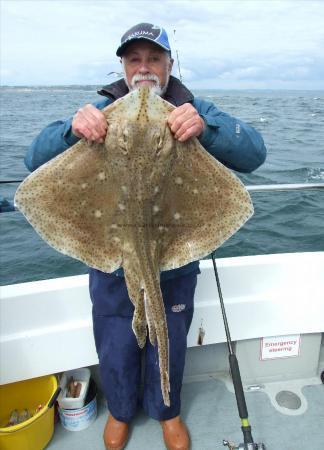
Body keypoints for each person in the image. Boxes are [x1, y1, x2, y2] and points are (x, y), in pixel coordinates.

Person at [25, 23, 266, 450]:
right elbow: (33, 159)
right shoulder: (100, 107)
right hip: (111, 256)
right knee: (115, 340)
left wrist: (207, 129)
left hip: (173, 255)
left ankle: (167, 411)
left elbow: (254, 154)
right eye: (135, 59)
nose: (144, 68)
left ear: (170, 64)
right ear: (122, 65)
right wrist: (72, 128)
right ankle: (120, 411)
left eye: (154, 58)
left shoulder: (195, 106)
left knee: (169, 337)